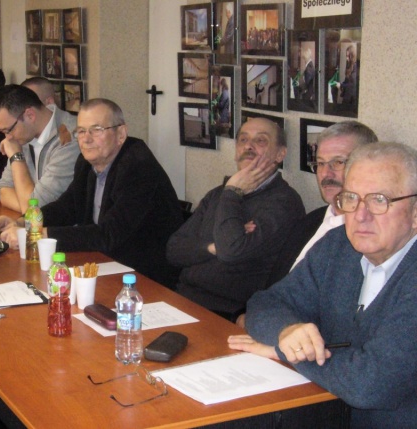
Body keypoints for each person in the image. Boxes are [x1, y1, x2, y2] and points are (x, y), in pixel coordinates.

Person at [231, 142, 417, 428]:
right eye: (351, 198)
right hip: (322, 412)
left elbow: (370, 384)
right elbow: (265, 303)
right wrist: (287, 331)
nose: (360, 215)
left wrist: (286, 352)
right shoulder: (338, 246)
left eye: (379, 200)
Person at [0, 98, 182, 287]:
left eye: (97, 130)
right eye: (81, 131)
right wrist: (23, 222)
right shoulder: (86, 162)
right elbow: (67, 207)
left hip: (146, 277)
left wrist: (37, 234)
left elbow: (109, 233)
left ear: (121, 134)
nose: (87, 139)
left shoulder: (138, 167)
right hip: (104, 263)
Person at [235, 120, 378, 327]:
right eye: (321, 163)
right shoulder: (310, 222)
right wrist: (252, 317)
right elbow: (274, 289)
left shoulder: (369, 238)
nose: (326, 174)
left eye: (338, 162)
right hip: (269, 324)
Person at [166, 118, 305, 321]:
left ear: (280, 154)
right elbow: (174, 250)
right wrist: (214, 247)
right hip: (183, 299)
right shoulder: (218, 194)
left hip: (229, 314)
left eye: (260, 140)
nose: (249, 146)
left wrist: (233, 193)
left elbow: (231, 252)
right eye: (243, 140)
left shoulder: (284, 203)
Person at [0, 84, 80, 213]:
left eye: (8, 130)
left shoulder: (70, 139)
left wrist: (17, 157)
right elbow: (4, 189)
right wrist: (27, 207)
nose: (8, 138)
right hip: (37, 222)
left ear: (30, 115)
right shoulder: (23, 135)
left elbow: (34, 208)